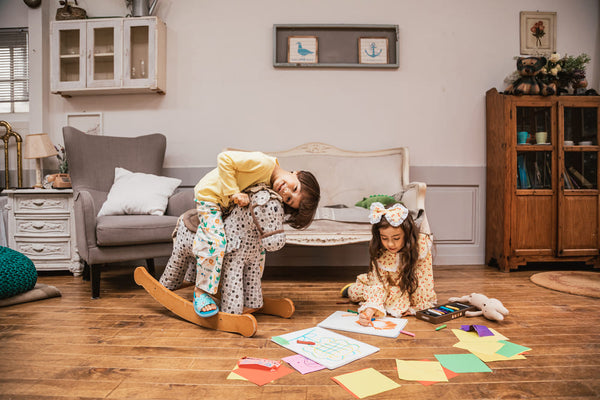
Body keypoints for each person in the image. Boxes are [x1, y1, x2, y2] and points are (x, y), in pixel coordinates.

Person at [191, 150, 320, 317]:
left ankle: (246, 291)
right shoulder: (264, 164)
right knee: (216, 241)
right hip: (211, 197)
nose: (287, 193)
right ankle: (200, 291)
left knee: (256, 247)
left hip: (225, 203)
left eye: (289, 200)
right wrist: (234, 192)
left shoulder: (269, 184)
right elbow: (224, 158)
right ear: (298, 174)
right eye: (295, 188)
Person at [340, 202, 436, 326]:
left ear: (406, 235)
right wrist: (370, 310)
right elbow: (379, 284)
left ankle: (378, 292)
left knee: (404, 298)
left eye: (396, 238)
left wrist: (416, 308)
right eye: (384, 238)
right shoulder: (381, 251)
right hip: (386, 286)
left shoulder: (420, 246)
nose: (390, 244)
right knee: (354, 293)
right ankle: (356, 286)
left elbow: (424, 280)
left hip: (409, 286)